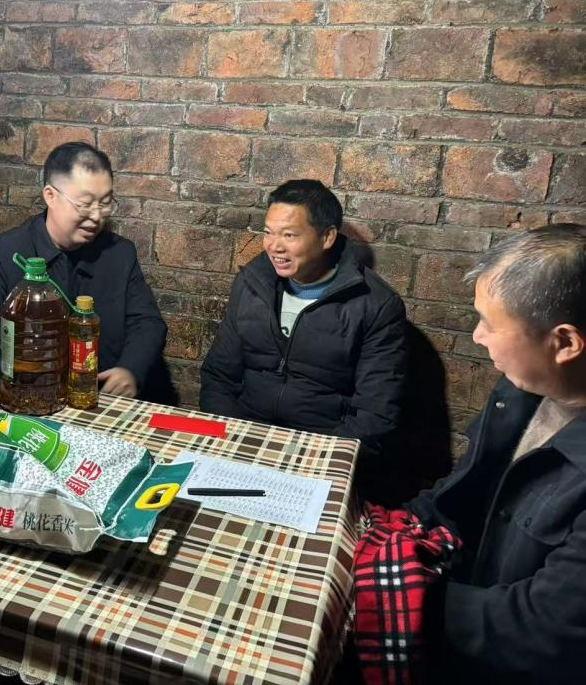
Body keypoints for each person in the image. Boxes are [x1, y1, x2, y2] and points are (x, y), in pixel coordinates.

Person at [405, 224, 586, 684]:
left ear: (565, 343)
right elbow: (459, 494)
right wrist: (383, 530)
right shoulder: (521, 391)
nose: (476, 336)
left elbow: (543, 628)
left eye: (489, 322)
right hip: (458, 617)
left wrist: (397, 594)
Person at [0, 142, 168, 409]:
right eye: (85, 204)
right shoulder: (8, 251)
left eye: (105, 203)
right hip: (25, 398)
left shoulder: (120, 254)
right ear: (51, 196)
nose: (96, 216)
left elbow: (147, 322)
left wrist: (131, 369)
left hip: (94, 399)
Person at [199, 179, 406, 457]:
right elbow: (219, 376)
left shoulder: (376, 304)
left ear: (327, 237)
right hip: (244, 432)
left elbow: (374, 416)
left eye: (289, 235)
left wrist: (308, 457)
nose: (274, 246)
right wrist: (232, 438)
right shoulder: (251, 283)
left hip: (320, 446)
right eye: (268, 233)